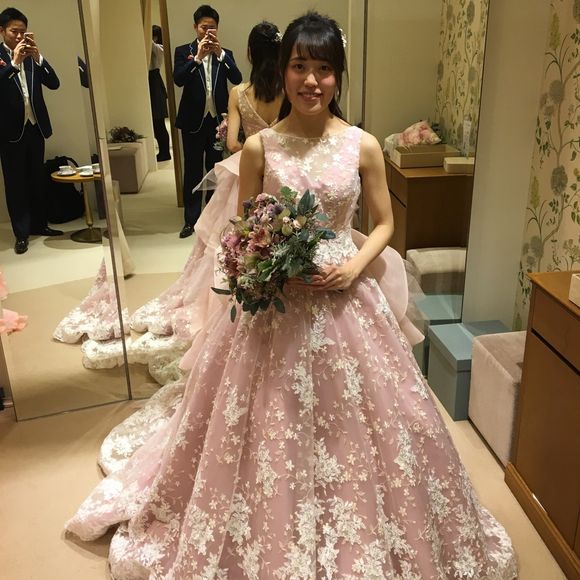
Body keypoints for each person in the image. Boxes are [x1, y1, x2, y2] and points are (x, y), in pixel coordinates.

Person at [65, 12, 517, 579]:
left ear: (338, 76)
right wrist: (265, 265)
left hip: (346, 300)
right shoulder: (261, 148)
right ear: (283, 71)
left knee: (372, 424)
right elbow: (241, 230)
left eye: (323, 69)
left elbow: (384, 223)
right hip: (275, 306)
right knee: (263, 420)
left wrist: (354, 267)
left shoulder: (362, 145)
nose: (311, 81)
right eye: (300, 66)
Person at [174, 4, 242, 239]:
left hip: (217, 124)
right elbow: (178, 79)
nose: (208, 31)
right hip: (192, 121)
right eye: (204, 27)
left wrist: (221, 55)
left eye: (212, 27)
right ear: (196, 27)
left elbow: (237, 78)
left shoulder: (225, 54)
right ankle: (191, 220)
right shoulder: (183, 51)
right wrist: (197, 58)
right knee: (192, 171)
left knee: (215, 171)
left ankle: (212, 219)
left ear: (217, 28)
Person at [0, 7, 62, 255]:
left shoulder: (32, 57)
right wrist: (14, 63)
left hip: (35, 127)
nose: (19, 36)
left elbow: (54, 83)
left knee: (37, 179)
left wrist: (38, 58)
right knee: (15, 184)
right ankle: (22, 234)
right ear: (2, 31)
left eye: (23, 32)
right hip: (9, 131)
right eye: (14, 31)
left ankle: (40, 224)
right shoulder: (4, 57)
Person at [149, 25, 171, 162]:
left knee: (159, 122)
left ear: (156, 37)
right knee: (156, 122)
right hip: (153, 82)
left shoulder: (160, 48)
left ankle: (165, 152)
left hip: (155, 82)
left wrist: (146, 36)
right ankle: (163, 152)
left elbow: (151, 45)